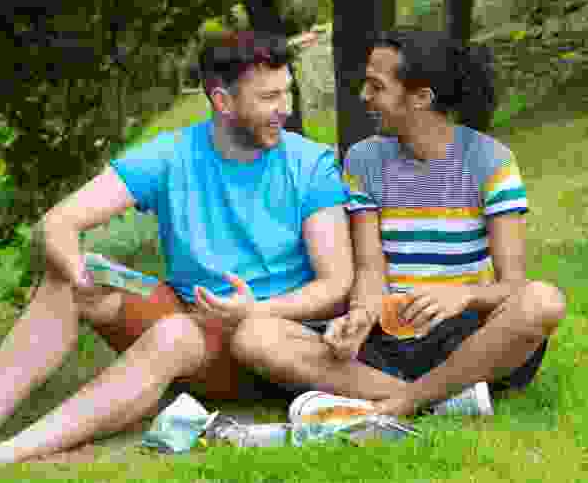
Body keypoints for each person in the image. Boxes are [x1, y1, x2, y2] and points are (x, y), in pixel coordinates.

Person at [0, 30, 356, 482]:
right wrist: (80, 273)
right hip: (194, 326)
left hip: (268, 341)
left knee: (174, 333)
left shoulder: (308, 165)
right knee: (67, 280)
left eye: (286, 92)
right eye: (269, 97)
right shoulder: (171, 155)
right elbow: (58, 222)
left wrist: (257, 310)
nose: (285, 108)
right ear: (222, 101)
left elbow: (335, 284)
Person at [230, 29, 567, 417]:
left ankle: (403, 400)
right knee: (254, 335)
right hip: (387, 338)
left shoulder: (492, 161)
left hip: (467, 338)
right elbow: (371, 269)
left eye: (377, 87)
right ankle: (439, 399)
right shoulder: (363, 160)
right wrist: (359, 317)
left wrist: (465, 295)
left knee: (543, 301)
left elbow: (512, 285)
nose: (364, 97)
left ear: (421, 98)